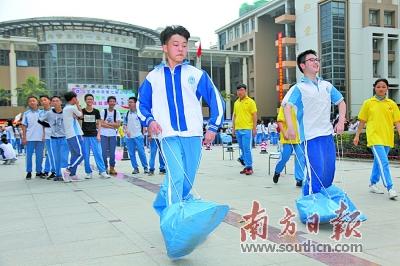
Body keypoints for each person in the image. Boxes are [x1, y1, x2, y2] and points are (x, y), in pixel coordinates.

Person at [137, 25, 225, 215]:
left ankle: (163, 203)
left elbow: (216, 100)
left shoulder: (196, 74)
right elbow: (141, 104)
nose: (181, 49)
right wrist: (150, 121)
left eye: (184, 45)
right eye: (175, 44)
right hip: (166, 134)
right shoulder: (154, 77)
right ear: (165, 48)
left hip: (193, 134)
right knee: (175, 175)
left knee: (187, 179)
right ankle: (172, 218)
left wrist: (213, 127)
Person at [283, 49, 346, 196]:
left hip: (327, 134)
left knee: (329, 171)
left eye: (317, 59)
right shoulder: (298, 88)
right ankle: (310, 205)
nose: (316, 62)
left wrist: (341, 121)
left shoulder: (326, 86)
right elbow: (287, 106)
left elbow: (341, 102)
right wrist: (290, 127)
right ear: (302, 65)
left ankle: (324, 205)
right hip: (310, 137)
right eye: (311, 60)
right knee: (315, 171)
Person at [353, 78, 400, 199]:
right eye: (378, 86)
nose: (381, 89)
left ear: (387, 89)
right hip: (374, 137)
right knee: (383, 162)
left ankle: (373, 183)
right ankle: (390, 188)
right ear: (374, 88)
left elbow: (397, 122)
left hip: (387, 138)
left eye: (383, 86)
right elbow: (362, 121)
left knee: (378, 162)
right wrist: (357, 135)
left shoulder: (392, 104)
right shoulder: (368, 103)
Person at [272, 106, 305, 187]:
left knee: (300, 157)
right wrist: (284, 133)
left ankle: (299, 179)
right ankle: (277, 171)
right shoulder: (285, 105)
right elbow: (280, 121)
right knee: (284, 157)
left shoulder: (303, 104)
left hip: (300, 138)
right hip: (288, 137)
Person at [39, 96, 69, 181]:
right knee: (56, 157)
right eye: (53, 101)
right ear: (51, 103)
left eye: (57, 101)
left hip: (64, 138)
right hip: (53, 139)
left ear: (60, 102)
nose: (55, 102)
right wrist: (50, 125)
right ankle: (58, 174)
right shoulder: (49, 113)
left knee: (64, 157)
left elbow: (74, 119)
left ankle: (64, 175)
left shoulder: (66, 112)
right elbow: (40, 120)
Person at [81, 94, 111, 179]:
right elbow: (79, 123)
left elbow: (99, 123)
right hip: (84, 136)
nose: (89, 101)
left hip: (94, 135)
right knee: (86, 155)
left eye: (91, 99)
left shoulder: (96, 111)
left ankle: (102, 171)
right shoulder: (82, 111)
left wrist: (98, 134)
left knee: (98, 153)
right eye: (88, 99)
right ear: (85, 100)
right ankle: (88, 172)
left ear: (93, 100)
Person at [232, 84, 257, 175]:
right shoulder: (236, 103)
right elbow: (234, 116)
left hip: (247, 129)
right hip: (238, 129)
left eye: (242, 90)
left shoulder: (250, 102)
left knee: (247, 148)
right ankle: (246, 165)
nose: (240, 92)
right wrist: (233, 128)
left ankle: (249, 167)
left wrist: (254, 128)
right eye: (238, 90)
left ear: (245, 91)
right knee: (242, 148)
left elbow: (254, 115)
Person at [61, 91, 84, 182]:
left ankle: (72, 174)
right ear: (73, 98)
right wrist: (78, 105)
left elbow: (77, 117)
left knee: (75, 154)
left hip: (70, 135)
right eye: (76, 98)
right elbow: (81, 115)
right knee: (81, 154)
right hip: (74, 134)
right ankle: (68, 170)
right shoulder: (71, 108)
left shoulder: (67, 108)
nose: (77, 100)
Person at [123, 96, 149, 174]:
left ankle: (145, 167)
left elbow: (144, 124)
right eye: (129, 102)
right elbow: (124, 124)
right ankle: (135, 168)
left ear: (135, 103)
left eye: (131, 102)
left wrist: (144, 130)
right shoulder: (126, 114)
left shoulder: (139, 113)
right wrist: (126, 130)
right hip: (129, 137)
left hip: (138, 136)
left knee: (141, 152)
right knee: (131, 153)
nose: (129, 103)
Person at [21, 96, 45, 179]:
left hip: (40, 138)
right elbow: (24, 125)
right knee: (29, 156)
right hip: (29, 138)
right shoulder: (26, 113)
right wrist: (24, 137)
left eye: (33, 101)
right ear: (28, 103)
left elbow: (44, 125)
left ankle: (39, 172)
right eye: (30, 101)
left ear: (37, 102)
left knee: (40, 156)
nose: (32, 102)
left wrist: (44, 135)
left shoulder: (42, 112)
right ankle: (29, 172)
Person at [100, 96, 121, 175]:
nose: (112, 103)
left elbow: (118, 125)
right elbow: (101, 123)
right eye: (110, 101)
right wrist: (112, 126)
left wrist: (107, 124)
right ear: (108, 102)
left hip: (112, 135)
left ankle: (112, 168)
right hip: (103, 135)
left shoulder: (117, 112)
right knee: (104, 153)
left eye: (113, 101)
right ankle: (104, 168)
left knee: (112, 153)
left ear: (115, 103)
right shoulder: (103, 111)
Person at [39, 95, 56, 178]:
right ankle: (47, 170)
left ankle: (53, 171)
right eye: (41, 100)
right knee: (49, 153)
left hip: (56, 135)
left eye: (45, 100)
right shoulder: (41, 113)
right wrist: (43, 135)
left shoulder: (54, 110)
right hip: (47, 135)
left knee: (52, 154)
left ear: (49, 101)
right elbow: (42, 125)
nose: (43, 102)